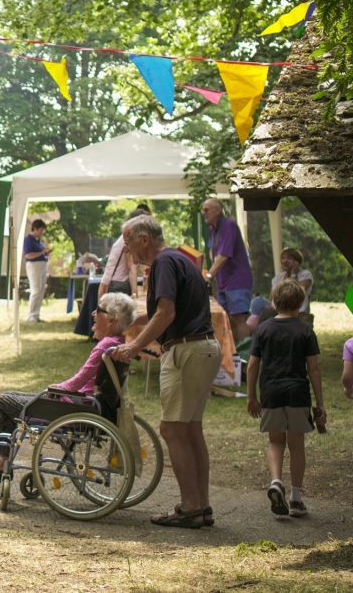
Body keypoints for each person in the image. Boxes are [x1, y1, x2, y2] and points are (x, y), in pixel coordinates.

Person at [0, 292, 137, 485]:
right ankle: (0, 464)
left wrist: (56, 388)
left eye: (99, 311)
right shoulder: (118, 344)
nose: (94, 314)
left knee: (1, 401)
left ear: (112, 320)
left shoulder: (105, 346)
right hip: (85, 404)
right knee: (8, 397)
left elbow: (77, 383)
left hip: (75, 407)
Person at [117, 215, 221, 529]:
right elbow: (167, 310)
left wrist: (134, 346)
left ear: (143, 239)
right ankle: (201, 506)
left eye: (128, 243)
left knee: (173, 430)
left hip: (186, 350)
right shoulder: (179, 258)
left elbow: (167, 312)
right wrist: (132, 324)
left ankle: (190, 507)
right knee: (190, 430)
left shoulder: (163, 264)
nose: (127, 250)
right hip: (204, 348)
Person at [246, 280, 324, 518]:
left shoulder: (263, 329)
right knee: (296, 444)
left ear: (274, 300)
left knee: (275, 442)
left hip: (271, 392)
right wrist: (320, 403)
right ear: (300, 303)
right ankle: (296, 499)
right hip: (297, 393)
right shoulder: (305, 330)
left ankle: (276, 481)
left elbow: (252, 366)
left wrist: (251, 396)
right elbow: (313, 369)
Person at [201, 198, 253, 340]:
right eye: (202, 210)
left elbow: (223, 256)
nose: (203, 213)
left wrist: (209, 277)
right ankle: (233, 357)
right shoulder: (212, 229)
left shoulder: (228, 225)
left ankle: (244, 357)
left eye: (206, 210)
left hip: (237, 281)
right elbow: (213, 254)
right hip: (223, 282)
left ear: (218, 211)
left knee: (238, 318)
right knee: (227, 320)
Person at [99, 207, 149, 299]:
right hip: (121, 287)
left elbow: (105, 280)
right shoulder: (129, 240)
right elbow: (132, 268)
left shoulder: (123, 238)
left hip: (114, 285)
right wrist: (136, 296)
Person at [23, 219, 49, 323]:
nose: (42, 232)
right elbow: (28, 255)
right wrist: (42, 252)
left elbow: (40, 253)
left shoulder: (38, 240)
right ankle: (31, 315)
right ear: (35, 229)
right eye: (41, 230)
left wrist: (45, 253)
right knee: (36, 290)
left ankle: (36, 314)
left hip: (42, 266)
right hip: (34, 266)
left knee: (41, 290)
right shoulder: (28, 240)